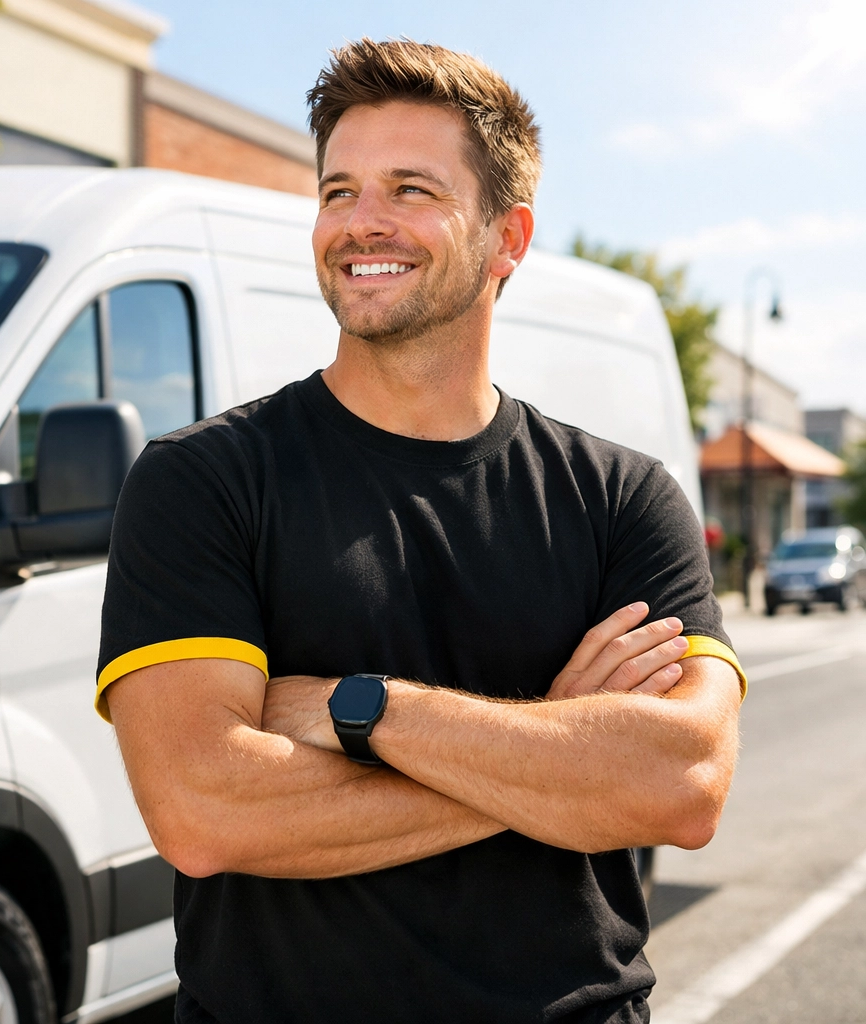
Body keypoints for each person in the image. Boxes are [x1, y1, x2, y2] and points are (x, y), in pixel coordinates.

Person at [97, 38, 745, 1024]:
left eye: (410, 189)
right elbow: (201, 809)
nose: (361, 221)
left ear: (506, 237)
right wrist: (556, 750)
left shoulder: (622, 495)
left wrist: (362, 711)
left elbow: (683, 783)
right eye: (338, 190)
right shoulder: (202, 480)